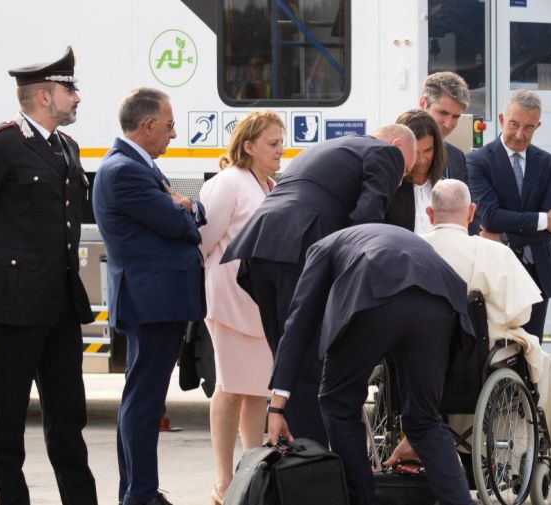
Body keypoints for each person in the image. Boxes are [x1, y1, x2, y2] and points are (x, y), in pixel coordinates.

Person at [222, 125, 416, 446]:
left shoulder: (332, 147)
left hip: (260, 244)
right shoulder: (386, 152)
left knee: (288, 355)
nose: (401, 179)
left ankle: (294, 452)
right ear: (397, 144)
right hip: (302, 244)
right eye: (405, 171)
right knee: (311, 361)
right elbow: (367, 219)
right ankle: (314, 461)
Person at [266, 223, 474, 505]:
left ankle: (361, 499)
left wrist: (277, 406)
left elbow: (298, 323)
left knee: (338, 402)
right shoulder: (376, 237)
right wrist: (415, 432)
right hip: (439, 298)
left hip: (373, 286)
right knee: (423, 421)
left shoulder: (320, 249)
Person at [0, 46, 97, 505]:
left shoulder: (66, 148)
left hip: (61, 306)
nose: (78, 97)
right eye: (70, 89)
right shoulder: (0, 145)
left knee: (68, 419)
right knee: (8, 421)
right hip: (12, 307)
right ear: (45, 95)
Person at [383, 179, 551, 472]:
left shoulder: (407, 250)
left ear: (430, 215)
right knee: (536, 359)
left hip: (416, 365)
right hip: (476, 364)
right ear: (471, 213)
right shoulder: (494, 253)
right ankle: (537, 448)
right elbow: (522, 315)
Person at [93, 88, 207, 505]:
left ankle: (137, 492)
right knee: (144, 404)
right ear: (147, 126)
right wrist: (184, 210)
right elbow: (178, 223)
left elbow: (183, 214)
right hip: (153, 301)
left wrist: (184, 208)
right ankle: (139, 495)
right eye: (170, 125)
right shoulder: (125, 170)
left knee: (141, 401)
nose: (174, 134)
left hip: (155, 300)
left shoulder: (136, 166)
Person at [197, 111, 285, 505]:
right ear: (248, 146)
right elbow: (203, 240)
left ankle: (253, 472)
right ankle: (222, 480)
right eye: (272, 143)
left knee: (255, 392)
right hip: (230, 300)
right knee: (229, 388)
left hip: (258, 303)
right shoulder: (228, 183)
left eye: (281, 142)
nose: (281, 149)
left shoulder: (267, 184)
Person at [467, 90, 551, 342]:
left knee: (533, 348)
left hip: (537, 272)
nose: (520, 134)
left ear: (538, 126)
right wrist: (541, 220)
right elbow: (489, 217)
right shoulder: (478, 161)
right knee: (495, 346)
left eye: (529, 127)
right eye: (514, 124)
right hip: (496, 270)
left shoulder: (549, 164)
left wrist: (504, 234)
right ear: (501, 119)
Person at [419, 72, 477, 233]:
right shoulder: (397, 152)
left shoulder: (457, 157)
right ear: (423, 103)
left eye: (456, 117)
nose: (448, 123)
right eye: (443, 113)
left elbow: (469, 212)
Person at [385, 110, 446, 234]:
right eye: (415, 152)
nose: (421, 160)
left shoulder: (444, 184)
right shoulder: (388, 187)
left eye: (428, 150)